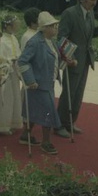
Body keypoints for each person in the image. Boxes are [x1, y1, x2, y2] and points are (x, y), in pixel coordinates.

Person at [54, 0, 98, 138]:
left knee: (78, 93)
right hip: (73, 60)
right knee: (69, 93)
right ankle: (59, 124)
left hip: (85, 59)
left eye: (95, 0)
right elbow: (62, 38)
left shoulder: (90, 13)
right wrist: (69, 57)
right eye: (92, 0)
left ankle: (71, 121)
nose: (94, 3)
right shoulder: (70, 14)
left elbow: (88, 35)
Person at [17, 11, 63, 155]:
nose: (56, 28)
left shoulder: (51, 41)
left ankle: (26, 135)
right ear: (45, 28)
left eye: (56, 25)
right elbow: (23, 61)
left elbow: (55, 59)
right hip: (38, 84)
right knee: (48, 112)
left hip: (48, 82)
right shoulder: (35, 42)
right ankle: (46, 142)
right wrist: (30, 80)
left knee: (34, 110)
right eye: (53, 26)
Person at [0, 13, 23, 135]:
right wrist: (9, 61)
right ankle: (2, 126)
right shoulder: (1, 40)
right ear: (8, 26)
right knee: (6, 99)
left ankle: (13, 122)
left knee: (15, 97)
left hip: (14, 71)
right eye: (15, 24)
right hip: (5, 72)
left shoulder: (14, 38)